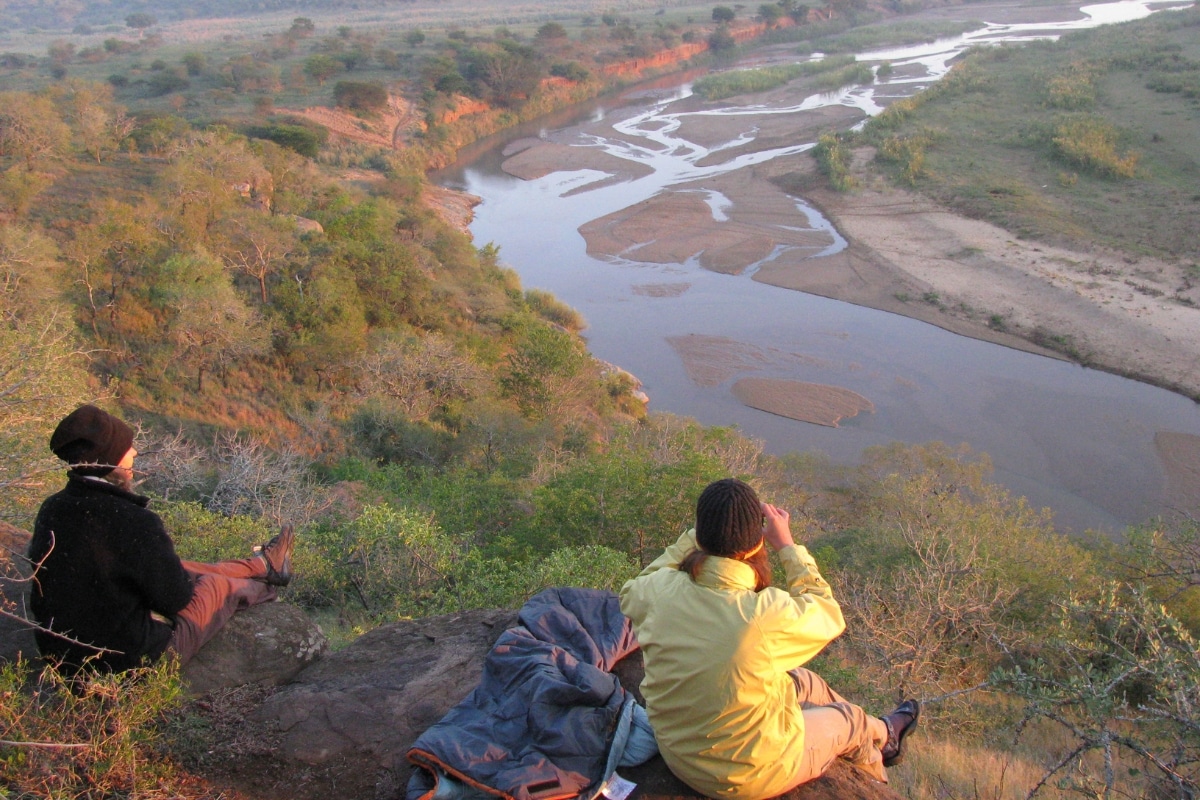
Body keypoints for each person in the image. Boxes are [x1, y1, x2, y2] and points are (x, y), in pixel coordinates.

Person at [619, 478, 918, 799]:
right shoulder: (762, 614)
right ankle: (879, 764)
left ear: (699, 535)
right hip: (744, 776)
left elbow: (634, 588)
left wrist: (704, 531)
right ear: (755, 544)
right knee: (851, 720)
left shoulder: (657, 590)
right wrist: (787, 546)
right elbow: (828, 613)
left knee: (805, 682)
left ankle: (884, 732)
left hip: (677, 752)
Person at [27, 404, 296, 675]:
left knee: (176, 567)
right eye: (126, 449)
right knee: (216, 586)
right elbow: (175, 601)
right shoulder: (133, 520)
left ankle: (262, 566)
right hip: (131, 665)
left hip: (63, 661)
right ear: (111, 458)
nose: (134, 452)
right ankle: (263, 586)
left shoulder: (52, 508)